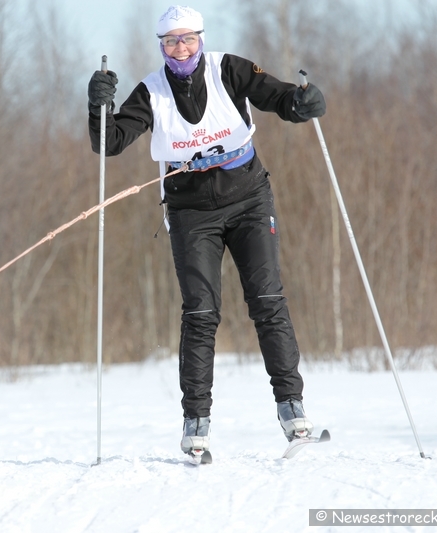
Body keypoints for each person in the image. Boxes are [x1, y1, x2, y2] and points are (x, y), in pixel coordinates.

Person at [87, 5, 326, 461]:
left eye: (188, 39)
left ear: (200, 38)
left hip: (249, 199)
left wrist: (301, 104)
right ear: (161, 47)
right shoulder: (151, 92)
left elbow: (276, 96)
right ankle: (196, 421)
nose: (181, 48)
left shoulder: (228, 69)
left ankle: (292, 410)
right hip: (191, 211)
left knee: (267, 299)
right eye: (171, 42)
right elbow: (109, 142)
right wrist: (98, 105)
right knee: (200, 311)